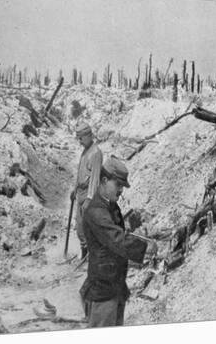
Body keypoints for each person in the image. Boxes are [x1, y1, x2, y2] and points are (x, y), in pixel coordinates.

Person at [79, 156, 158, 327]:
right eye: (118, 185)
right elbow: (116, 239)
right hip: (103, 291)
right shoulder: (96, 211)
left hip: (115, 287)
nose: (121, 190)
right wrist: (145, 248)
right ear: (105, 180)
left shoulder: (110, 205)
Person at [71, 121, 103, 259]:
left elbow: (95, 178)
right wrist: (74, 189)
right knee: (80, 228)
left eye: (81, 138)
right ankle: (84, 254)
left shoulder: (95, 153)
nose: (80, 141)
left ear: (89, 135)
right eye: (78, 138)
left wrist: (90, 198)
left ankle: (91, 256)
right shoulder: (85, 151)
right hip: (80, 193)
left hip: (90, 196)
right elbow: (81, 172)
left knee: (88, 227)